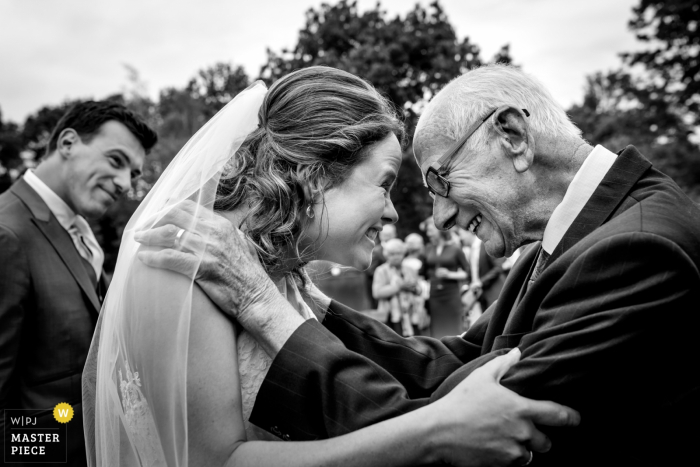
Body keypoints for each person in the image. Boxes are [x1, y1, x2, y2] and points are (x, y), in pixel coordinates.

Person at [141, 63, 700, 466]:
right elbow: (456, 363)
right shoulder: (592, 230)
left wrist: (265, 307)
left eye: (439, 180)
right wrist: (318, 310)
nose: (437, 216)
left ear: (512, 136)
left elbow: (458, 430)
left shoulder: (638, 251)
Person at [0, 101, 157, 466]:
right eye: (116, 161)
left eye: (133, 174)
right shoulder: (7, 235)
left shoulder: (78, 232)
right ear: (68, 143)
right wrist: (65, 449)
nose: (125, 183)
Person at [424, 218, 470, 337]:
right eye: (427, 231)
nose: (428, 233)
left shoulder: (455, 249)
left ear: (440, 229)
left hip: (451, 294)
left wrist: (449, 274)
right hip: (434, 294)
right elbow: (424, 271)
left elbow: (467, 273)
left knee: (454, 327)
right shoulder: (428, 248)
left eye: (430, 230)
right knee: (437, 327)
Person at [372, 238, 421, 336]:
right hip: (391, 317)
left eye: (398, 253)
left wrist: (412, 288)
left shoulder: (409, 269)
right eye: (392, 254)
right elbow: (376, 293)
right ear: (387, 255)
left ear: (403, 254)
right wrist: (398, 287)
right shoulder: (381, 270)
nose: (396, 257)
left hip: (411, 315)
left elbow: (419, 290)